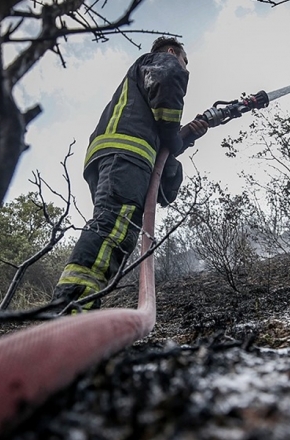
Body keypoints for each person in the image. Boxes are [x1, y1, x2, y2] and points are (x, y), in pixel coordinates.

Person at [53, 36, 209, 312]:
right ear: (172, 52)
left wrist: (182, 139)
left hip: (116, 157)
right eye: (185, 61)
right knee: (113, 226)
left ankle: (76, 305)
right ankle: (70, 307)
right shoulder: (159, 62)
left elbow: (162, 175)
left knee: (117, 226)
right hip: (124, 153)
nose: (185, 68)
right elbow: (170, 75)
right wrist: (174, 136)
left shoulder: (141, 99)